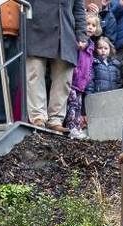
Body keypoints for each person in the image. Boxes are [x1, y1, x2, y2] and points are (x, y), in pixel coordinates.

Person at [22, 0, 87, 132]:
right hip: (36, 28)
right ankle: (38, 117)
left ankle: (56, 119)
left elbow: (79, 9)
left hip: (65, 31)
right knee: (34, 73)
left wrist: (81, 34)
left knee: (64, 79)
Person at [64, 12, 98, 139]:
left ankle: (77, 127)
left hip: (81, 83)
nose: (90, 27)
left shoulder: (91, 46)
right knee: (72, 104)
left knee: (78, 105)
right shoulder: (79, 42)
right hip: (73, 80)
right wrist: (75, 71)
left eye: (93, 25)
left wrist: (87, 76)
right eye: (87, 24)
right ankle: (71, 127)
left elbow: (89, 64)